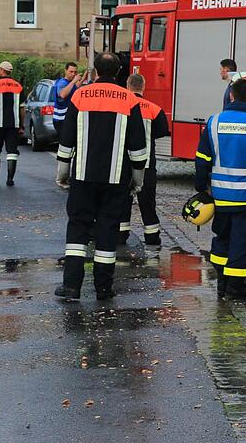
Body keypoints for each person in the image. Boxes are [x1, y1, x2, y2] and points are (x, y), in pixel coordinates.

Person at [54, 52, 147, 301]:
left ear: (95, 70)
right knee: (108, 230)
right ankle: (103, 288)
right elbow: (138, 146)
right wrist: (137, 179)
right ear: (118, 73)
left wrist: (63, 172)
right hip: (116, 178)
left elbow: (67, 138)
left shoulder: (80, 95)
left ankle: (72, 286)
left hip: (83, 177)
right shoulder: (129, 100)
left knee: (78, 228)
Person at [195, 77, 246, 299]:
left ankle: (222, 282)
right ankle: (235, 287)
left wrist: (201, 188)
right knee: (241, 242)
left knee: (222, 238)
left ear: (231, 96)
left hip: (221, 197)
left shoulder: (214, 122)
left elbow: (202, 159)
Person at [119, 74, 170, 247]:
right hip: (147, 164)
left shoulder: (121, 107)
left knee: (123, 201)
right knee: (147, 203)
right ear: (143, 86)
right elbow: (163, 131)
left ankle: (120, 233)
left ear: (127, 86)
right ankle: (152, 236)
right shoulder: (154, 109)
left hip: (123, 164)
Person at [50, 62, 81, 139]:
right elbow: (62, 94)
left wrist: (84, 77)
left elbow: (76, 87)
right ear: (65, 71)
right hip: (61, 119)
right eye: (71, 71)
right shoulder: (62, 83)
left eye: (75, 72)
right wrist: (74, 81)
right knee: (65, 141)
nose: (73, 74)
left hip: (67, 118)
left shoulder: (70, 83)